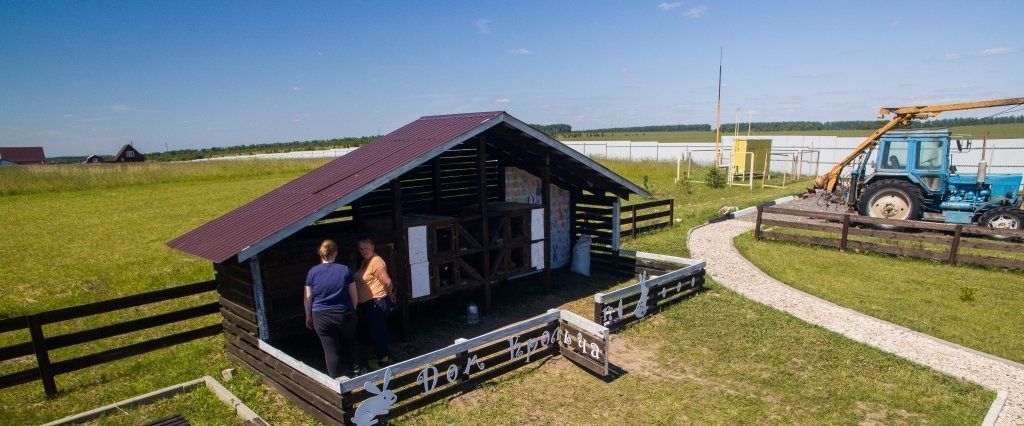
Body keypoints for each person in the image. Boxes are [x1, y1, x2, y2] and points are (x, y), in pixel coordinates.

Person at [304, 239, 362, 378]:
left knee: (330, 349)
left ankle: (335, 379)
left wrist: (308, 316)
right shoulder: (344, 270)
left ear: (320, 253)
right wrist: (352, 311)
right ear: (335, 253)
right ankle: (355, 370)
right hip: (343, 312)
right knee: (350, 341)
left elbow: (308, 296)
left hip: (320, 315)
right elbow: (354, 295)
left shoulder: (312, 272)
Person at [354, 237, 396, 367]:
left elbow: (387, 281)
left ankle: (384, 362)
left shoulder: (375, 261)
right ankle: (383, 357)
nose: (364, 250)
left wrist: (390, 294)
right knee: (376, 331)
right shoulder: (366, 261)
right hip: (370, 304)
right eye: (361, 248)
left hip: (377, 302)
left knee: (378, 332)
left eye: (366, 247)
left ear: (373, 246)